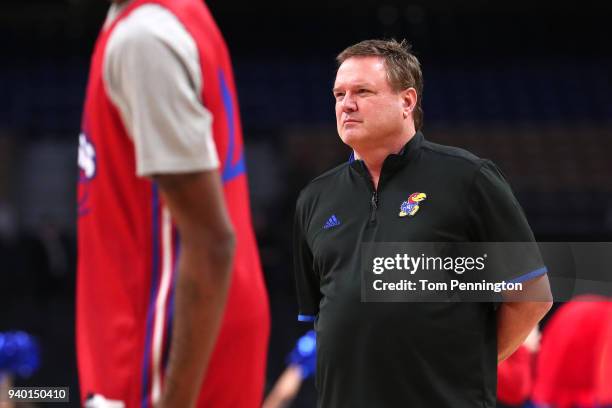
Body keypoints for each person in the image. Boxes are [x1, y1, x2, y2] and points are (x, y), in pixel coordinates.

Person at [293, 39, 552, 407]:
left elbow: (530, 296)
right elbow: (325, 316)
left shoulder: (468, 178)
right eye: (338, 94)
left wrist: (464, 366)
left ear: (407, 101)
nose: (346, 104)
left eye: (362, 91)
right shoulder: (314, 199)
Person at [76, 0, 269, 407]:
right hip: (185, 333)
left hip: (160, 356)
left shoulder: (143, 40)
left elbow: (212, 243)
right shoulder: (178, 14)